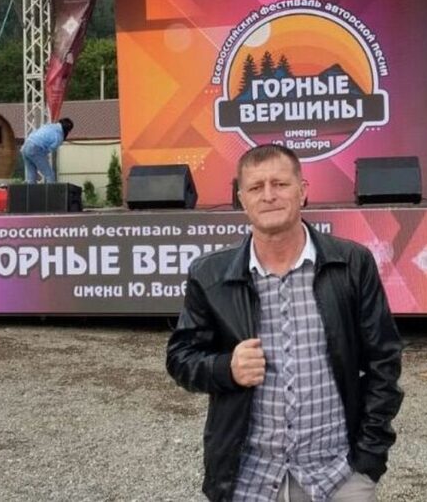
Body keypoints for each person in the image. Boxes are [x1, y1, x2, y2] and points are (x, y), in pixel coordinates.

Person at [167, 144, 403, 502]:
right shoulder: (209, 274)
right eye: (256, 187)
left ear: (303, 191)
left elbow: (384, 361)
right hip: (248, 480)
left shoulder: (352, 264)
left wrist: (369, 457)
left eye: (280, 184)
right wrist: (225, 368)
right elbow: (180, 358)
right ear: (242, 199)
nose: (268, 195)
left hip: (338, 475)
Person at [20, 118, 74, 184]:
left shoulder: (49, 125)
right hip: (35, 148)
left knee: (31, 177)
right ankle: (51, 190)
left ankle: (30, 189)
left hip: (25, 147)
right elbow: (50, 149)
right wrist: (44, 157)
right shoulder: (59, 136)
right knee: (49, 175)